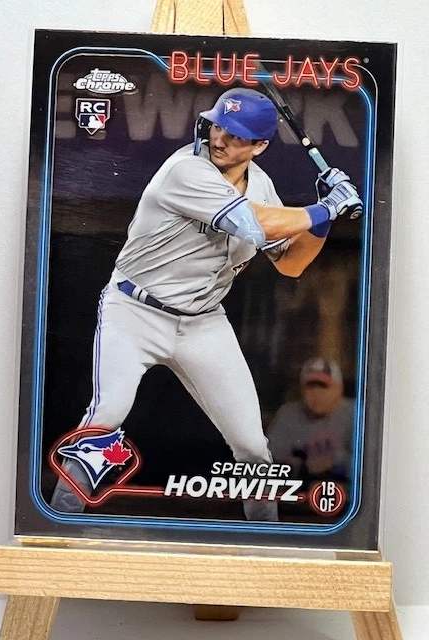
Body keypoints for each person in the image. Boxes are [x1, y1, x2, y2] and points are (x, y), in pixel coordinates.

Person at [49, 88, 362, 521]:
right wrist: (325, 207)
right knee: (107, 415)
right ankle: (59, 520)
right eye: (217, 126)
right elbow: (251, 224)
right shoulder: (185, 169)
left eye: (235, 135)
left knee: (252, 445)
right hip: (135, 311)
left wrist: (322, 222)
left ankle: (266, 542)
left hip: (203, 322)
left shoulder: (262, 186)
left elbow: (291, 264)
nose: (220, 139)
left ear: (259, 146)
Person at [267, 357, 354, 485]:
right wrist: (301, 466)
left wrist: (334, 464)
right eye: (310, 387)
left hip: (345, 491)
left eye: (323, 386)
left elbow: (372, 466)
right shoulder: (288, 414)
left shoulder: (355, 414)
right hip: (300, 491)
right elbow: (269, 463)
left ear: (338, 390)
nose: (316, 393)